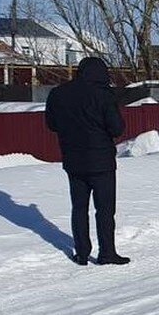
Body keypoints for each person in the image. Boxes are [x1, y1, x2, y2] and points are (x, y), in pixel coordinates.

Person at [45, 57, 130, 266]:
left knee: (79, 207)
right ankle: (107, 253)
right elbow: (117, 128)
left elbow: (51, 124)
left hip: (73, 160)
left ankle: (82, 253)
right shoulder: (104, 95)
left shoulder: (58, 94)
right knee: (105, 209)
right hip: (101, 162)